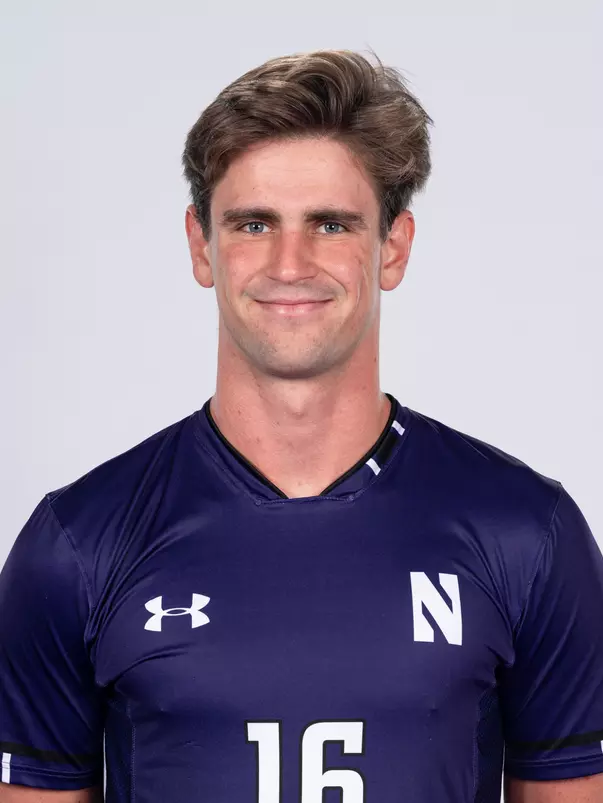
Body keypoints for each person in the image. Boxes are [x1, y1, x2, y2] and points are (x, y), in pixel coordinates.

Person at [0, 48, 602, 803]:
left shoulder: (526, 532)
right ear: (201, 245)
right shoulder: (77, 545)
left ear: (392, 247)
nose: (290, 263)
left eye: (330, 224)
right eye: (253, 223)